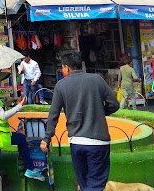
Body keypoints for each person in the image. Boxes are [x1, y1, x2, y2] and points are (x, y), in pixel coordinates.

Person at [41, 51, 119, 191]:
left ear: (67, 68)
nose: (62, 70)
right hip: (98, 142)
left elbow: (53, 114)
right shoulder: (97, 79)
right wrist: (99, 112)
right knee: (95, 184)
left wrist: (47, 138)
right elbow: (114, 104)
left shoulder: (61, 85)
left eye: (62, 68)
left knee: (84, 184)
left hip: (76, 142)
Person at [0, 71, 46, 191]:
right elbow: (3, 115)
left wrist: (12, 102)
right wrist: (20, 106)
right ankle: (30, 168)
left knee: (20, 139)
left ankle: (30, 168)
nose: (0, 83)